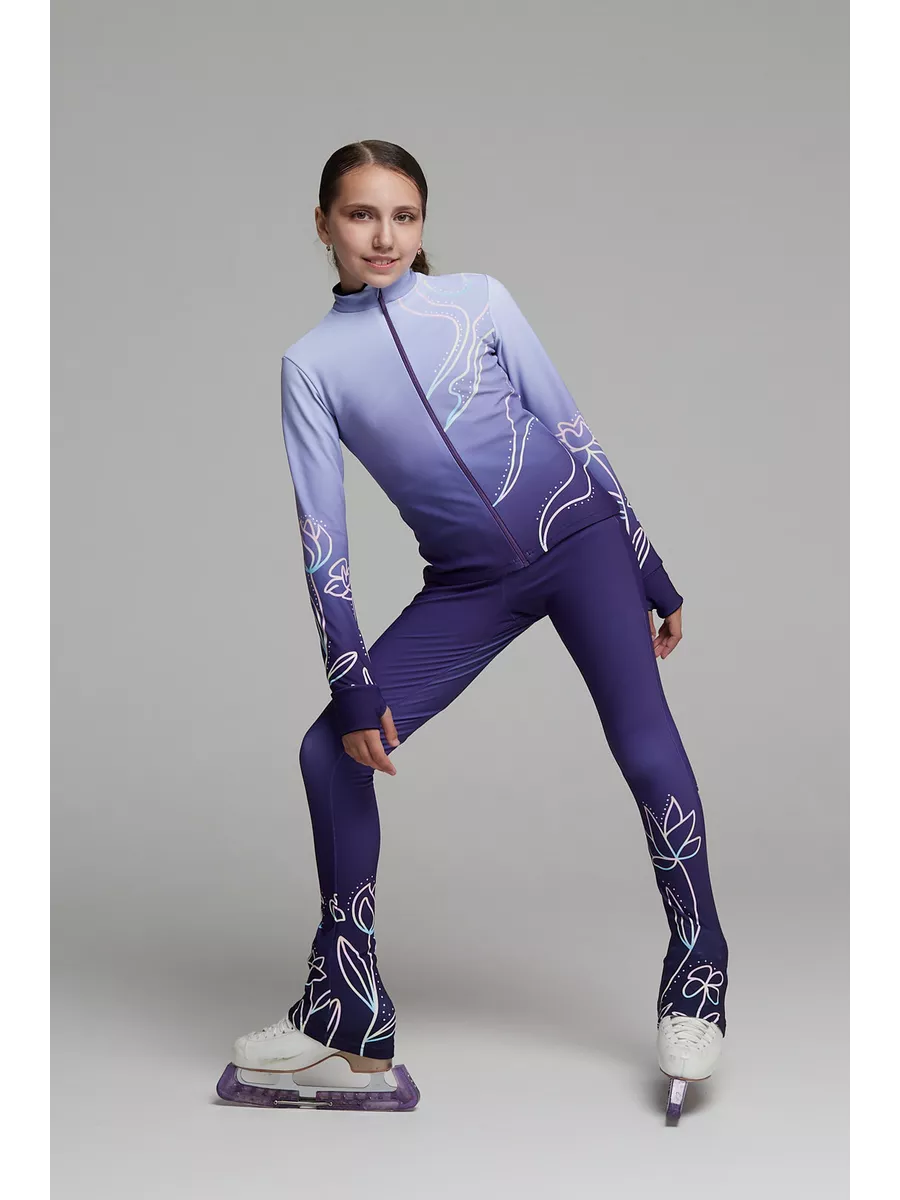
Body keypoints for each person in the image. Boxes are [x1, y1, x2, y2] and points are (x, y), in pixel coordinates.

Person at [215, 140, 729, 1118]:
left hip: (580, 539)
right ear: (323, 224)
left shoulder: (480, 302)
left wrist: (649, 567)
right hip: (468, 585)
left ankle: (698, 977)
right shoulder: (311, 366)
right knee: (330, 753)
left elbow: (570, 431)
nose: (384, 236)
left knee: (643, 741)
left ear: (422, 225)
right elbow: (323, 538)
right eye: (362, 215)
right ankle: (348, 1009)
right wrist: (352, 681)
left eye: (404, 216)